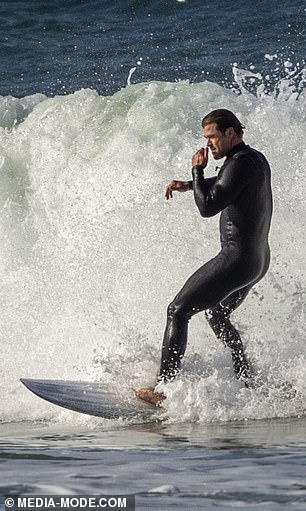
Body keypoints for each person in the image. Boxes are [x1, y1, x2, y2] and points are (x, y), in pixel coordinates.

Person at [135, 109, 273, 406]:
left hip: (236, 259)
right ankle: (246, 378)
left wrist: (196, 171)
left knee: (177, 311)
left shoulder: (238, 164)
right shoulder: (254, 160)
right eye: (206, 138)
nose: (209, 143)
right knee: (216, 313)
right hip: (257, 260)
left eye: (213, 136)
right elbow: (228, 184)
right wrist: (190, 185)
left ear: (231, 133)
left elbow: (208, 207)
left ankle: (163, 390)